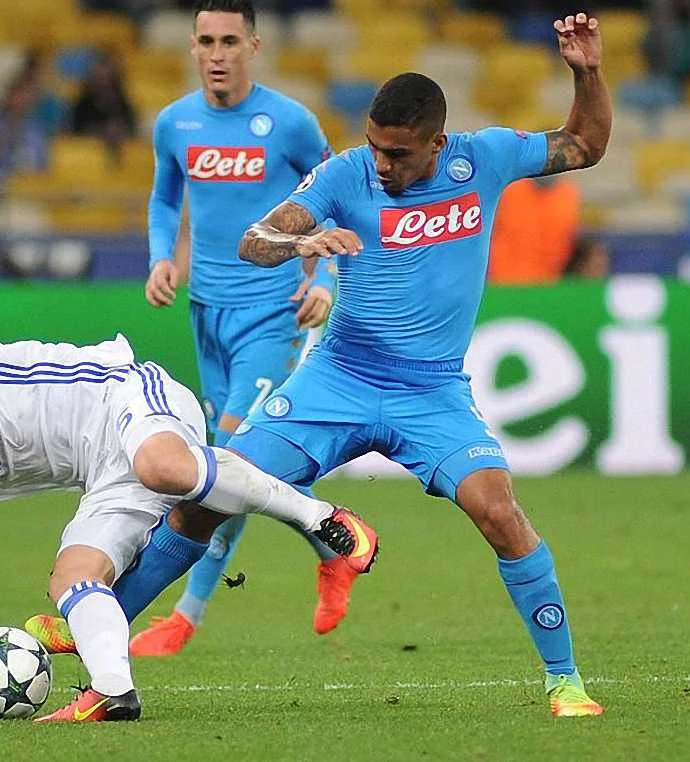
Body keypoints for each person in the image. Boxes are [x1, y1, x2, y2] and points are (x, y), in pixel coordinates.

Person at [230, 13, 611, 718]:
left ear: (437, 143)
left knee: (500, 512)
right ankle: (97, 637)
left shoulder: (485, 159)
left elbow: (584, 144)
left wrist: (586, 73)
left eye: (398, 153)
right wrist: (301, 243)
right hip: (339, 376)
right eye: (376, 146)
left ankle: (566, 683)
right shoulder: (347, 172)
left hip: (432, 393)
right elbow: (254, 240)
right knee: (210, 493)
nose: (382, 164)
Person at [0, 336, 372, 722]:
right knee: (72, 579)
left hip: (125, 397)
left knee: (162, 466)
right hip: (101, 472)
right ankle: (113, 693)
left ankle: (323, 519)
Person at [129, 0, 354, 658]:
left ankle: (186, 614)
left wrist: (324, 278)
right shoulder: (175, 122)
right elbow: (165, 196)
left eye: (230, 40)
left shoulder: (289, 123)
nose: (217, 53)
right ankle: (335, 547)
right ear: (193, 47)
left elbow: (340, 194)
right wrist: (161, 257)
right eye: (206, 41)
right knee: (240, 467)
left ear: (253, 46)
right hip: (208, 314)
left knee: (224, 463)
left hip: (274, 314)